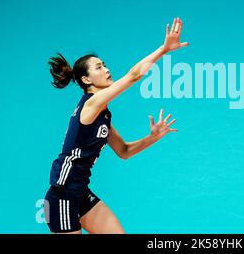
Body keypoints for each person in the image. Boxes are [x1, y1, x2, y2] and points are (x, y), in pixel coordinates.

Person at [44, 18, 188, 234]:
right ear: (86, 80)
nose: (106, 69)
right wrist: (164, 49)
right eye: (99, 67)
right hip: (62, 196)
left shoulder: (103, 115)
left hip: (81, 193)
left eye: (104, 64)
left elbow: (124, 151)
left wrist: (153, 137)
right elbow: (134, 76)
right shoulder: (91, 104)